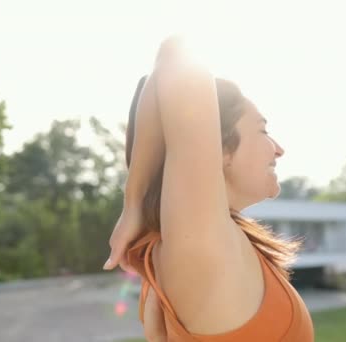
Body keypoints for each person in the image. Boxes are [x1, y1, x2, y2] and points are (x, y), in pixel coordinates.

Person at [104, 37, 314, 341]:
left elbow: (165, 71)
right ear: (219, 150)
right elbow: (176, 54)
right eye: (263, 130)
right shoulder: (207, 245)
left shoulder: (212, 244)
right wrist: (133, 203)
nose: (278, 149)